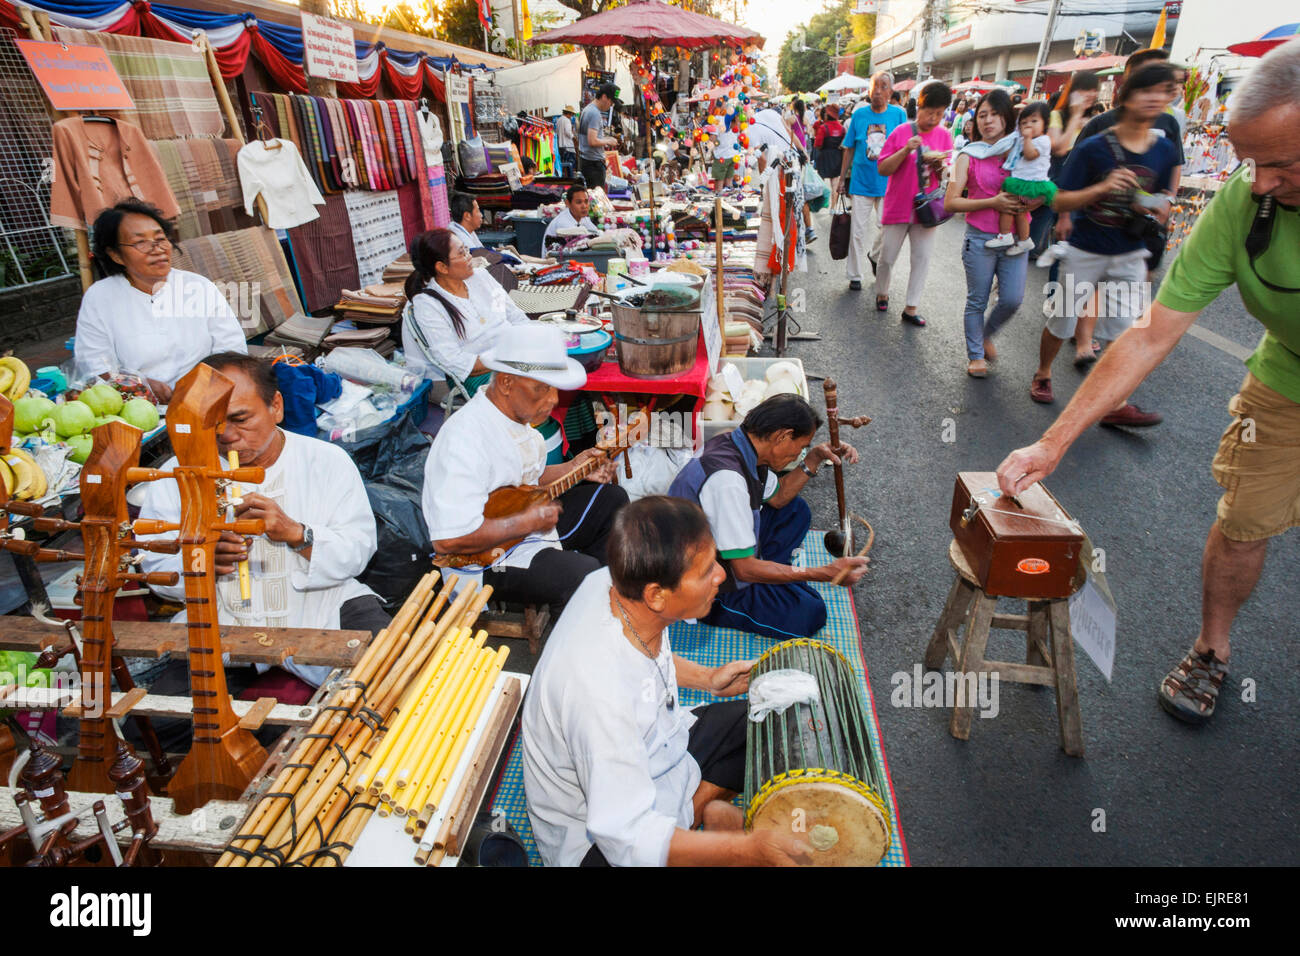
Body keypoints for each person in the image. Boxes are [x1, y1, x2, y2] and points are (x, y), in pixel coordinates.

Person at [997, 41, 1300, 725]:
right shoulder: (1240, 205)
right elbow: (1149, 334)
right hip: (1287, 384)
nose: (1259, 183)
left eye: (1281, 163)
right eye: (1252, 163)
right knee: (1244, 522)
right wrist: (1052, 444)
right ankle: (1211, 650)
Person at [522, 496, 810, 867]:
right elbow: (627, 840)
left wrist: (709, 679)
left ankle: (694, 813)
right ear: (656, 595)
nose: (721, 575)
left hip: (664, 749)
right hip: (596, 837)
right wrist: (746, 848)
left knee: (779, 715)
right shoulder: (597, 696)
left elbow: (644, 652)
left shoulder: (609, 583)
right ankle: (701, 824)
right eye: (706, 571)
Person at [139, 352, 385, 690]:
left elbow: (358, 550)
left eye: (240, 418)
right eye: (213, 423)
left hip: (323, 610)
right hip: (224, 622)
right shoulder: (176, 475)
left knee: (394, 679)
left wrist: (298, 534)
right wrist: (204, 562)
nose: (226, 435)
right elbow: (156, 570)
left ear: (276, 407)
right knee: (163, 723)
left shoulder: (327, 461)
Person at [421, 324, 628, 614]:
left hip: (526, 532)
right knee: (579, 573)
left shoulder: (519, 424)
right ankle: (577, 625)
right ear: (506, 383)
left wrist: (574, 467)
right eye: (541, 388)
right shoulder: (464, 440)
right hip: (484, 559)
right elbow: (448, 540)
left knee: (613, 499)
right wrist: (524, 523)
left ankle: (603, 605)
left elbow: (528, 481)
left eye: (554, 388)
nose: (553, 399)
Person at [1027, 63, 1181, 420]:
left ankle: (1112, 402)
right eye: (1148, 90)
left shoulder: (1164, 149)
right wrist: (1102, 188)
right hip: (1084, 251)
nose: (1156, 98)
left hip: (1130, 253)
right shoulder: (1096, 147)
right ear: (1126, 96)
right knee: (1061, 322)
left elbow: (1164, 190)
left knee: (1127, 331)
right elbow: (1059, 200)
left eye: (1164, 90)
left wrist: (1162, 204)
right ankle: (1043, 373)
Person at [667, 395, 869, 640]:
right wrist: (823, 572)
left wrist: (814, 458)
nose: (798, 454)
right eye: (802, 445)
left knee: (795, 511)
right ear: (782, 436)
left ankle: (775, 577)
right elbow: (743, 570)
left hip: (723, 550)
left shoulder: (740, 444)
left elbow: (779, 496)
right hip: (707, 583)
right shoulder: (728, 482)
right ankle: (720, 607)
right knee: (810, 612)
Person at [75, 199, 246, 403]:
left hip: (206, 398)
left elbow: (232, 348)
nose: (157, 249)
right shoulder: (99, 297)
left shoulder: (198, 287)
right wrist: (138, 384)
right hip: (137, 405)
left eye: (160, 238)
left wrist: (198, 388)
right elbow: (93, 364)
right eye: (140, 242)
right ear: (115, 255)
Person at [944, 89, 1029, 377]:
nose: (988, 120)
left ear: (1007, 117)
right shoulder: (965, 156)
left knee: (1012, 299)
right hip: (979, 238)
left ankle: (986, 334)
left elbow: (1042, 186)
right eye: (982, 115)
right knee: (977, 300)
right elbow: (950, 201)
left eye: (994, 114)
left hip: (1016, 238)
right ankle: (975, 356)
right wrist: (992, 202)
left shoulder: (1023, 151)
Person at [401, 229, 529, 391]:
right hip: (479, 374)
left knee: (562, 363)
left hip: (513, 356)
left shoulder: (482, 277)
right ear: (442, 267)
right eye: (462, 253)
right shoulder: (428, 305)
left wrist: (528, 340)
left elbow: (513, 314)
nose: (470, 257)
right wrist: (508, 357)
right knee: (539, 384)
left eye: (467, 250)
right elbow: (453, 360)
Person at [874, 79, 955, 326]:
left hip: (927, 208)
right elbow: (883, 168)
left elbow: (948, 175)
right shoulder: (902, 132)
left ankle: (911, 307)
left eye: (939, 114)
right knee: (887, 256)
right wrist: (905, 150)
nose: (933, 118)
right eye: (929, 112)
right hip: (898, 204)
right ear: (918, 108)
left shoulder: (944, 136)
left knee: (922, 258)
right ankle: (882, 292)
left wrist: (941, 167)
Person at [1076, 47, 1185, 198]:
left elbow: (1175, 166)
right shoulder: (1099, 125)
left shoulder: (1169, 125)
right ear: (1131, 82)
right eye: (1153, 75)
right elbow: (1070, 185)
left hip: (1147, 215)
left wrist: (1168, 200)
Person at [839, 72, 908, 291]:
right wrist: (842, 179)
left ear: (890, 91)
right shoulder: (859, 115)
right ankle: (855, 275)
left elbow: (905, 149)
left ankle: (875, 256)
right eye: (874, 86)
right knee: (857, 232)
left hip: (889, 184)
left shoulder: (898, 115)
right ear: (869, 90)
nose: (878, 90)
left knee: (887, 230)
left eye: (883, 86)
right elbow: (849, 148)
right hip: (861, 182)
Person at [1032, 71, 1102, 262]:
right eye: (1085, 90)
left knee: (1066, 247)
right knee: (1032, 241)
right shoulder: (1058, 115)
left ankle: (1057, 289)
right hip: (1054, 184)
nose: (1089, 95)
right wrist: (1075, 118)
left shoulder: (1097, 120)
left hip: (1080, 190)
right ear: (1072, 92)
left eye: (1093, 90)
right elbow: (1059, 148)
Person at [986, 101, 1056, 255]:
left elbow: (1030, 155)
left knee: (1007, 206)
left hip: (1030, 184)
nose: (1028, 125)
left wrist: (1027, 139)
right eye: (1024, 122)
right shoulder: (1024, 139)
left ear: (1045, 123)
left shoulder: (1043, 140)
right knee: (1019, 212)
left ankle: (1005, 235)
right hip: (1024, 181)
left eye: (1034, 121)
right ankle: (1025, 240)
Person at [578, 84, 620, 190]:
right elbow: (592, 141)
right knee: (596, 198)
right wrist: (608, 140)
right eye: (611, 102)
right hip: (593, 165)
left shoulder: (587, 109)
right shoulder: (594, 113)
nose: (610, 106)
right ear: (604, 97)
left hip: (586, 161)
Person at [814, 104, 846, 209]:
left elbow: (817, 144)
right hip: (837, 157)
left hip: (824, 157)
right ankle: (833, 207)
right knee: (834, 184)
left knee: (820, 182)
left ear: (828, 115)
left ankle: (821, 204)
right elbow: (844, 143)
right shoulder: (842, 128)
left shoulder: (823, 128)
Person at [556, 104, 577, 177]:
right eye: (571, 114)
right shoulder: (567, 120)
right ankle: (570, 178)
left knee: (563, 163)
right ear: (568, 113)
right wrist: (573, 137)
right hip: (567, 146)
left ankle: (564, 176)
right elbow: (568, 132)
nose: (571, 116)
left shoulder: (559, 120)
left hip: (560, 145)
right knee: (570, 164)